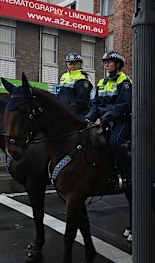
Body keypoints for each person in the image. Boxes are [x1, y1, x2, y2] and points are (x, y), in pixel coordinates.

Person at [85, 51, 132, 182]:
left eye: (109, 62)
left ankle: (126, 176)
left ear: (117, 64)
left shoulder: (125, 81)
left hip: (120, 120)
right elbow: (95, 104)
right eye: (105, 62)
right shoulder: (101, 83)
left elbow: (123, 105)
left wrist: (104, 118)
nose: (106, 65)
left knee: (115, 142)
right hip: (103, 121)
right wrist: (88, 117)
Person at [55, 52, 93, 118]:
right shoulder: (64, 76)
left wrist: (67, 109)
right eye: (70, 64)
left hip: (78, 113)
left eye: (75, 64)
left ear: (80, 64)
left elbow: (82, 101)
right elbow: (60, 95)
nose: (72, 66)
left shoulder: (82, 77)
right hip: (64, 112)